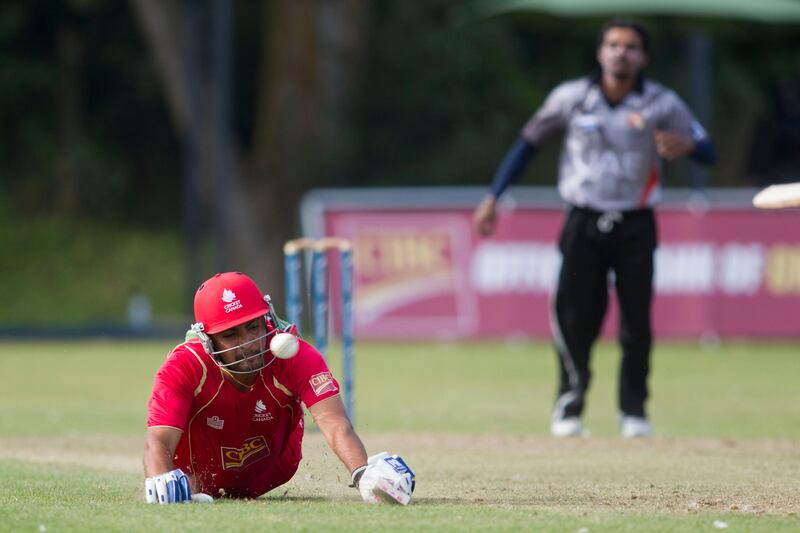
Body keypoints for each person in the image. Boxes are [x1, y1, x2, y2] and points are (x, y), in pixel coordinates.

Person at [473, 18, 716, 438]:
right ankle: (569, 407)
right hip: (583, 218)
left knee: (636, 320)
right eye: (613, 44)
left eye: (631, 46)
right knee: (575, 316)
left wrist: (689, 145)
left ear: (644, 56)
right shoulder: (572, 98)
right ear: (601, 52)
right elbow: (527, 144)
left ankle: (633, 412)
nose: (621, 52)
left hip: (636, 221)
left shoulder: (661, 102)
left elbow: (707, 149)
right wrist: (494, 196)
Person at [143, 271, 415, 504]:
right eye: (230, 335)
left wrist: (363, 474)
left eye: (253, 327)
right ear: (207, 339)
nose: (249, 344)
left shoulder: (296, 354)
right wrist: (162, 480)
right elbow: (158, 441)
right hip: (195, 480)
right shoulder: (184, 365)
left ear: (267, 318)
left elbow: (335, 423)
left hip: (271, 472)